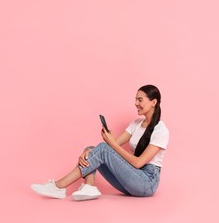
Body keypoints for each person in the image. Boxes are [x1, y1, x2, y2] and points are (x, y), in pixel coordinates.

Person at [31, 85, 169, 200]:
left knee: (101, 149)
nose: (136, 103)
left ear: (154, 102)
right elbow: (110, 148)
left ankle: (59, 186)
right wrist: (91, 151)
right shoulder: (136, 124)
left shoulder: (161, 130)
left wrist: (110, 144)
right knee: (90, 148)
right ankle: (90, 187)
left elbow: (138, 163)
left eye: (140, 100)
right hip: (132, 178)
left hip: (146, 183)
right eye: (135, 100)